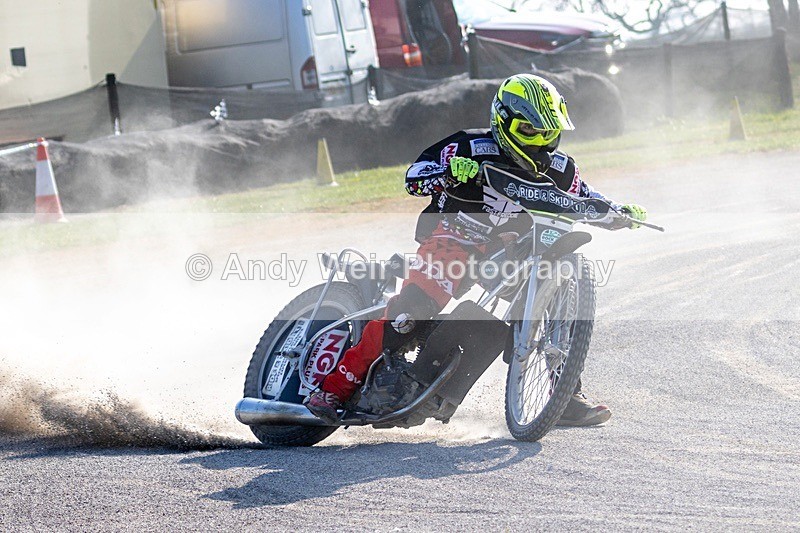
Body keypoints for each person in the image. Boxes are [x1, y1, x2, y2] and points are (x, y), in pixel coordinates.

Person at [306, 73, 647, 427]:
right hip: (454, 238)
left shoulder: (563, 169)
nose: (542, 143)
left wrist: (621, 213)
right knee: (410, 315)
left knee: (555, 293)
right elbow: (414, 177)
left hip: (509, 251)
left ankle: (565, 394)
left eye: (550, 132)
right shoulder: (469, 146)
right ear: (503, 121)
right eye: (531, 132)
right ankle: (333, 389)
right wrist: (448, 172)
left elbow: (586, 197)